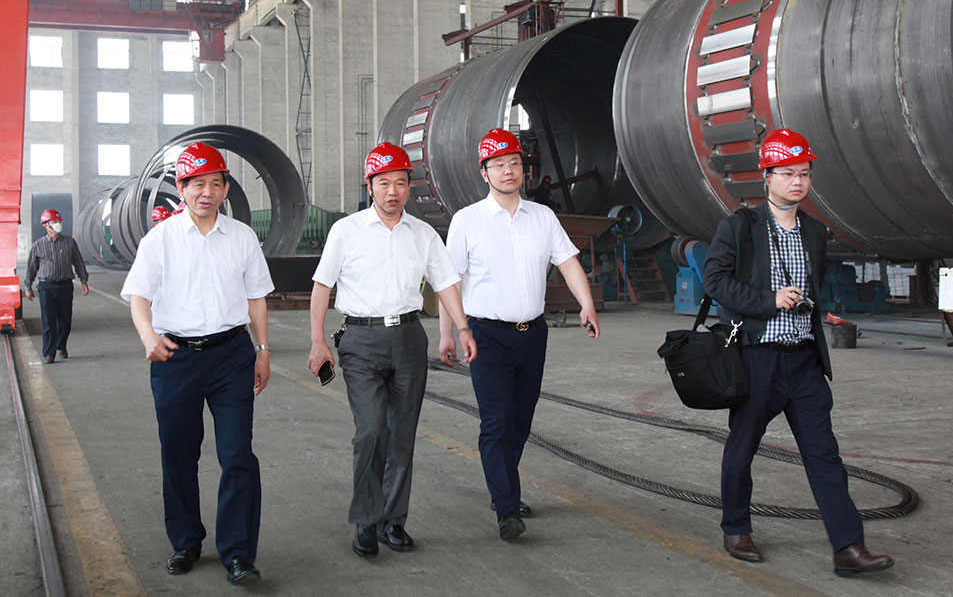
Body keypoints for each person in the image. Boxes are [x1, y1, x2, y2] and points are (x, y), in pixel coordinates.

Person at [702, 128, 894, 577]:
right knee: (742, 448)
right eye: (787, 173)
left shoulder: (814, 231)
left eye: (804, 173)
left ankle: (848, 547)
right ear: (767, 176)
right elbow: (716, 281)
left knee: (824, 454)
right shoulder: (740, 227)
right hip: (758, 358)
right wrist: (769, 300)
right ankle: (736, 528)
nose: (797, 181)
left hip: (804, 360)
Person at [307, 142, 476, 559]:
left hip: (409, 339)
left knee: (402, 434)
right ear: (370, 186)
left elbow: (446, 283)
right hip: (361, 342)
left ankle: (393, 521)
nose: (392, 191)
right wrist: (318, 340)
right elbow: (322, 286)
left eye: (400, 183)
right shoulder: (346, 231)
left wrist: (461, 328)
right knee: (371, 432)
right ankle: (366, 520)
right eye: (384, 183)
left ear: (408, 187)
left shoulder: (422, 234)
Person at [121, 142, 273, 586]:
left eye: (215, 183)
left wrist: (263, 350)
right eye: (197, 184)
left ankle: (238, 553)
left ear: (225, 188)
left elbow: (256, 298)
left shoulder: (241, 237)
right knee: (179, 454)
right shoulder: (161, 238)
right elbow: (139, 297)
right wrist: (149, 337)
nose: (207, 192)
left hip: (231, 356)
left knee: (237, 454)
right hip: (176, 358)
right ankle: (186, 541)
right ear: (182, 188)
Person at [438, 128, 600, 542]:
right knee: (496, 422)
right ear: (484, 173)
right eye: (498, 165)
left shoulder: (542, 217)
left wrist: (586, 304)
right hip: (485, 335)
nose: (508, 171)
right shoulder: (467, 221)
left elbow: (568, 262)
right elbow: (449, 283)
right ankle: (507, 509)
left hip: (532, 335)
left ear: (523, 169)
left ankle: (503, 489)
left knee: (520, 422)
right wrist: (448, 334)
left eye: (514, 163)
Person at [24, 208, 89, 364]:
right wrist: (28, 287)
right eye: (54, 222)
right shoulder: (38, 245)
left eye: (59, 221)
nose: (58, 224)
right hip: (46, 287)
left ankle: (61, 345)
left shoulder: (69, 243)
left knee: (65, 320)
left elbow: (78, 262)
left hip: (65, 286)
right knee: (48, 322)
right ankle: (49, 353)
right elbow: (31, 267)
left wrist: (83, 281)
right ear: (46, 225)